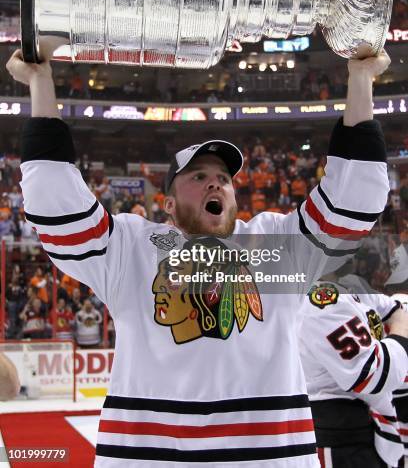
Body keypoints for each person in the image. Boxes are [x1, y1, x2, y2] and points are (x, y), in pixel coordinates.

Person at [7, 46, 391, 467]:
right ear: (167, 204)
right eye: (198, 177)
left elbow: (353, 198)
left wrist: (361, 77)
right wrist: (42, 84)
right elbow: (59, 209)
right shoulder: (135, 249)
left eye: (224, 179)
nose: (215, 185)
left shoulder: (275, 246)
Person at [299, 283, 407, 467]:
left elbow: (391, 307)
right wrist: (403, 328)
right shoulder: (318, 301)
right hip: (339, 435)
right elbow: (377, 375)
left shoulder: (350, 285)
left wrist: (399, 318)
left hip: (365, 426)